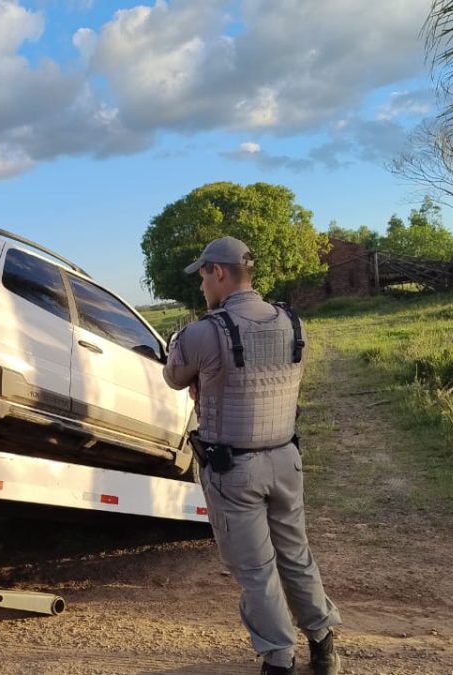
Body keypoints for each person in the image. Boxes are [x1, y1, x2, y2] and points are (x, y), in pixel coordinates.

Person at [162, 236, 342, 675]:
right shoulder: (291, 322)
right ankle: (324, 644)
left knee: (256, 569)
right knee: (295, 554)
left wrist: (199, 375)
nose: (202, 286)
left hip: (234, 468)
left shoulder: (204, 331)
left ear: (218, 272)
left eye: (203, 275)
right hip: (285, 459)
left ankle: (279, 658)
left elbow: (173, 377)